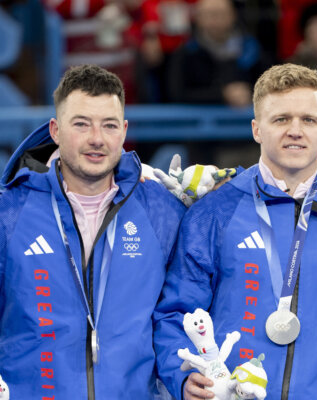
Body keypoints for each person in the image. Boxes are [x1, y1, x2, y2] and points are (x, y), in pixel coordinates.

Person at [153, 63, 317, 399]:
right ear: (257, 128)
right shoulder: (215, 211)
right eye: (281, 119)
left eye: (308, 120)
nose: (295, 131)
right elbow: (175, 312)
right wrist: (181, 378)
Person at [0, 64, 186, 398]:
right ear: (55, 130)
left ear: (124, 130)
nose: (97, 139)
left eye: (109, 125)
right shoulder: (9, 213)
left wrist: (184, 380)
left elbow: (179, 318)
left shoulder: (163, 212)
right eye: (81, 124)